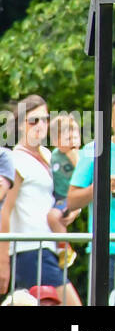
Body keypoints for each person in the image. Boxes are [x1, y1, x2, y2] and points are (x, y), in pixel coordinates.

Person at [0, 96, 81, 304]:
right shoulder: (15, 159)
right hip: (29, 249)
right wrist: (3, 260)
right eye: (33, 121)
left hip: (48, 247)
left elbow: (64, 194)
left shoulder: (48, 155)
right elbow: (5, 211)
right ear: (20, 125)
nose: (40, 126)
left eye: (45, 119)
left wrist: (70, 212)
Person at [66, 90, 115, 277]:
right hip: (106, 250)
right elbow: (72, 201)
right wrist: (102, 188)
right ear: (110, 120)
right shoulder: (94, 150)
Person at [49, 114, 80, 206]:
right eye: (68, 139)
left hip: (69, 196)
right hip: (54, 194)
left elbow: (84, 175)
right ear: (55, 142)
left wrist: (75, 160)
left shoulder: (80, 156)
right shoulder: (53, 155)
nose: (73, 142)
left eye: (76, 138)